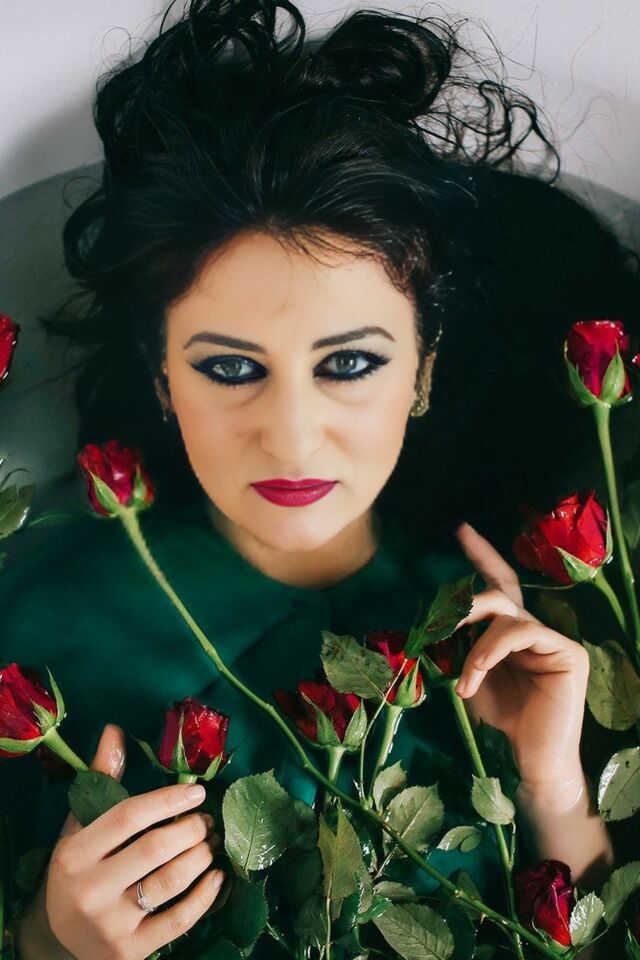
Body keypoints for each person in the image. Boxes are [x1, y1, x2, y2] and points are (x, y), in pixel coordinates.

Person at [0, 0, 632, 956]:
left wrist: (553, 787)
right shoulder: (39, 622)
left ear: (422, 372)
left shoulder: (514, 641)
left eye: (349, 364)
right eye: (229, 367)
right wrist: (54, 943)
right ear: (163, 379)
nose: (291, 440)